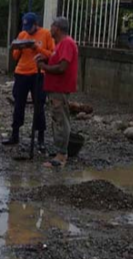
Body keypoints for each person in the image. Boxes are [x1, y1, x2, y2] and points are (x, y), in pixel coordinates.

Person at [2, 12, 55, 149]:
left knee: (39, 105)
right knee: (18, 104)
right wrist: (18, 48)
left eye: (30, 27)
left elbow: (51, 55)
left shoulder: (46, 34)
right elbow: (15, 57)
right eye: (26, 27)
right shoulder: (22, 35)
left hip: (38, 73)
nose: (28, 30)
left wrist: (36, 48)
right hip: (21, 73)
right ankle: (15, 134)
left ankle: (40, 138)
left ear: (36, 24)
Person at [35, 17, 78, 168]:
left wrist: (43, 66)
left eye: (52, 26)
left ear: (57, 28)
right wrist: (46, 60)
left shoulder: (66, 43)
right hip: (55, 88)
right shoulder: (59, 45)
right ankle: (59, 152)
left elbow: (62, 67)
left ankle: (61, 156)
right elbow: (57, 62)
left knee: (61, 120)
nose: (49, 29)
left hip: (60, 88)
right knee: (57, 119)